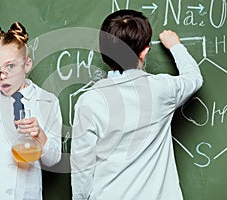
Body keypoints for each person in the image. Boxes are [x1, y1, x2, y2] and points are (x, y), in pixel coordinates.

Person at [70, 9, 203, 200]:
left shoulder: (90, 101)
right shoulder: (161, 90)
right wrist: (176, 46)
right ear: (144, 52)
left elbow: (81, 167)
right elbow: (194, 78)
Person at [0, 22, 62, 200]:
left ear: (27, 64)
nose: (3, 76)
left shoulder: (48, 101)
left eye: (11, 66)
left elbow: (53, 161)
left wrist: (39, 135)